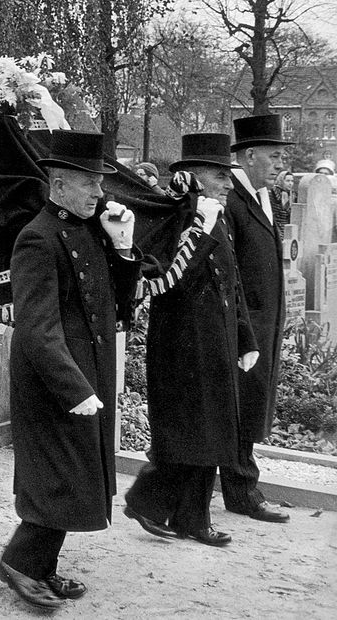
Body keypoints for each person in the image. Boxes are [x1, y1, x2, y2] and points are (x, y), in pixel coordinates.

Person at [0, 130, 141, 610]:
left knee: (75, 473)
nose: (100, 194)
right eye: (90, 184)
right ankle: (20, 562)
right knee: (58, 474)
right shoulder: (37, 238)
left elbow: (119, 304)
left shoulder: (87, 229)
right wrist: (73, 387)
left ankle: (44, 566)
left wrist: (123, 249)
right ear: (59, 185)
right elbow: (37, 326)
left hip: (85, 370)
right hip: (53, 378)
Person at [124, 133, 259, 548]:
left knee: (212, 432)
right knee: (188, 432)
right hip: (181, 342)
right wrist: (198, 224)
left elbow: (230, 285)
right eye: (220, 175)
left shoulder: (214, 213)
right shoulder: (175, 214)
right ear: (193, 175)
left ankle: (185, 515)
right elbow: (164, 279)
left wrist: (245, 338)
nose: (228, 183)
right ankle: (157, 503)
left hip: (215, 340)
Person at [222, 114, 294, 524]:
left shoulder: (264, 195)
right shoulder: (232, 199)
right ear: (249, 155)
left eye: (282, 155)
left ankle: (241, 486)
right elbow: (230, 271)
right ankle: (242, 490)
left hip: (266, 322)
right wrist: (244, 327)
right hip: (245, 323)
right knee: (242, 404)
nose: (280, 162)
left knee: (251, 404)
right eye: (274, 155)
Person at [271, 170, 294, 240]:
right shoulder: (273, 193)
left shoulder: (291, 195)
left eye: (292, 181)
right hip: (276, 230)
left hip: (288, 230)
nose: (290, 183)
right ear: (281, 180)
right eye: (287, 181)